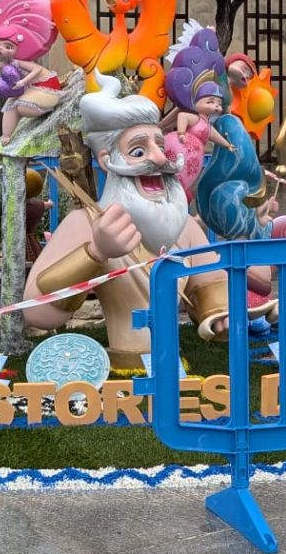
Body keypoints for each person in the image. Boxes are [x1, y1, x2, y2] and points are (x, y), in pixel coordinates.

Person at [21, 79, 234, 373]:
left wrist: (219, 311)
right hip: (123, 368)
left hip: (174, 367)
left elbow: (210, 282)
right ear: (107, 161)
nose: (159, 158)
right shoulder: (87, 222)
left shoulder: (183, 224)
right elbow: (37, 311)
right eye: (138, 151)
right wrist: (95, 252)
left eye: (160, 146)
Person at [0, 0, 62, 142]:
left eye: (8, 46)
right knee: (10, 104)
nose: (0, 49)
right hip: (33, 89)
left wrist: (23, 82)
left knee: (19, 106)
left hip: (47, 88)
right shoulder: (11, 61)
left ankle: (40, 120)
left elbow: (37, 69)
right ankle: (7, 136)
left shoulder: (21, 61)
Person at [160, 26, 235, 197]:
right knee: (172, 182)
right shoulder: (193, 117)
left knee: (185, 188)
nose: (216, 107)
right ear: (198, 100)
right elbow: (182, 116)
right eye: (210, 102)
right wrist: (180, 133)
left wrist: (227, 144)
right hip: (180, 149)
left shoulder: (205, 123)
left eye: (218, 104)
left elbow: (213, 134)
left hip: (194, 158)